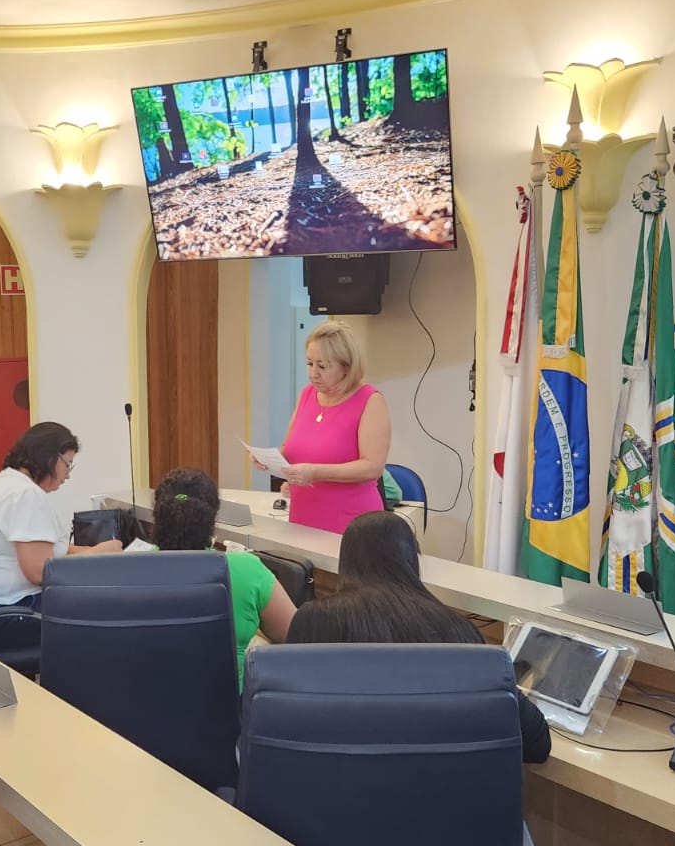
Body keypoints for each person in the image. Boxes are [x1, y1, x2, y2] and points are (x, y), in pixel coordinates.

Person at [291, 511, 550, 762]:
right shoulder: (458, 633)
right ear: (411, 559)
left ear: (345, 561)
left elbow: (290, 723)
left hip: (333, 791)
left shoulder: (311, 621)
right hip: (439, 797)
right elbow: (536, 743)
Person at [150, 467, 295, 690]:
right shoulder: (246, 570)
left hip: (148, 713)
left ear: (157, 516)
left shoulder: (132, 570)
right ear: (213, 518)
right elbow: (295, 636)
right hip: (230, 716)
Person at [0, 421, 121, 615]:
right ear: (50, 457)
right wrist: (99, 554)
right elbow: (40, 571)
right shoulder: (25, 495)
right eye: (67, 465)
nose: (68, 475)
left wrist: (90, 551)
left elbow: (43, 550)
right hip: (5, 611)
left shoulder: (10, 483)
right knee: (108, 605)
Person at [258, 320, 390, 535]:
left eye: (323, 366)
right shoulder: (307, 395)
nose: (313, 373)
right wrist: (270, 458)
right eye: (309, 364)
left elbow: (372, 466)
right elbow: (291, 448)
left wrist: (314, 472)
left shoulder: (370, 401)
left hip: (351, 523)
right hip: (303, 517)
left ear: (346, 366)